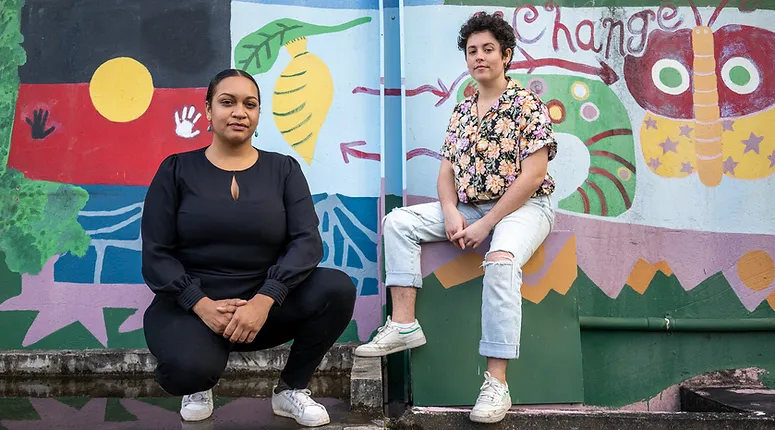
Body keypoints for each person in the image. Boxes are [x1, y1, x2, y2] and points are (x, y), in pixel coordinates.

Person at [354, 12, 557, 424]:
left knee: (500, 261)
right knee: (399, 222)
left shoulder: (527, 105)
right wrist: (450, 212)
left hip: (525, 207)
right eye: (472, 50)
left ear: (506, 55)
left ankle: (496, 383)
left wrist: (486, 224)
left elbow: (533, 175)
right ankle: (404, 324)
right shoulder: (463, 110)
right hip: (469, 205)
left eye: (488, 49)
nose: (478, 57)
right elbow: (446, 171)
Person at [141, 68, 356, 427]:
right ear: (208, 110)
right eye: (227, 102)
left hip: (263, 310)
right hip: (192, 308)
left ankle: (290, 389)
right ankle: (198, 384)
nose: (239, 112)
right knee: (186, 371)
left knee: (336, 288)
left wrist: (265, 298)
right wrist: (200, 304)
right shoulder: (176, 171)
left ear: (258, 114)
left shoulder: (283, 170)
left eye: (249, 104)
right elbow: (156, 254)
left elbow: (307, 241)